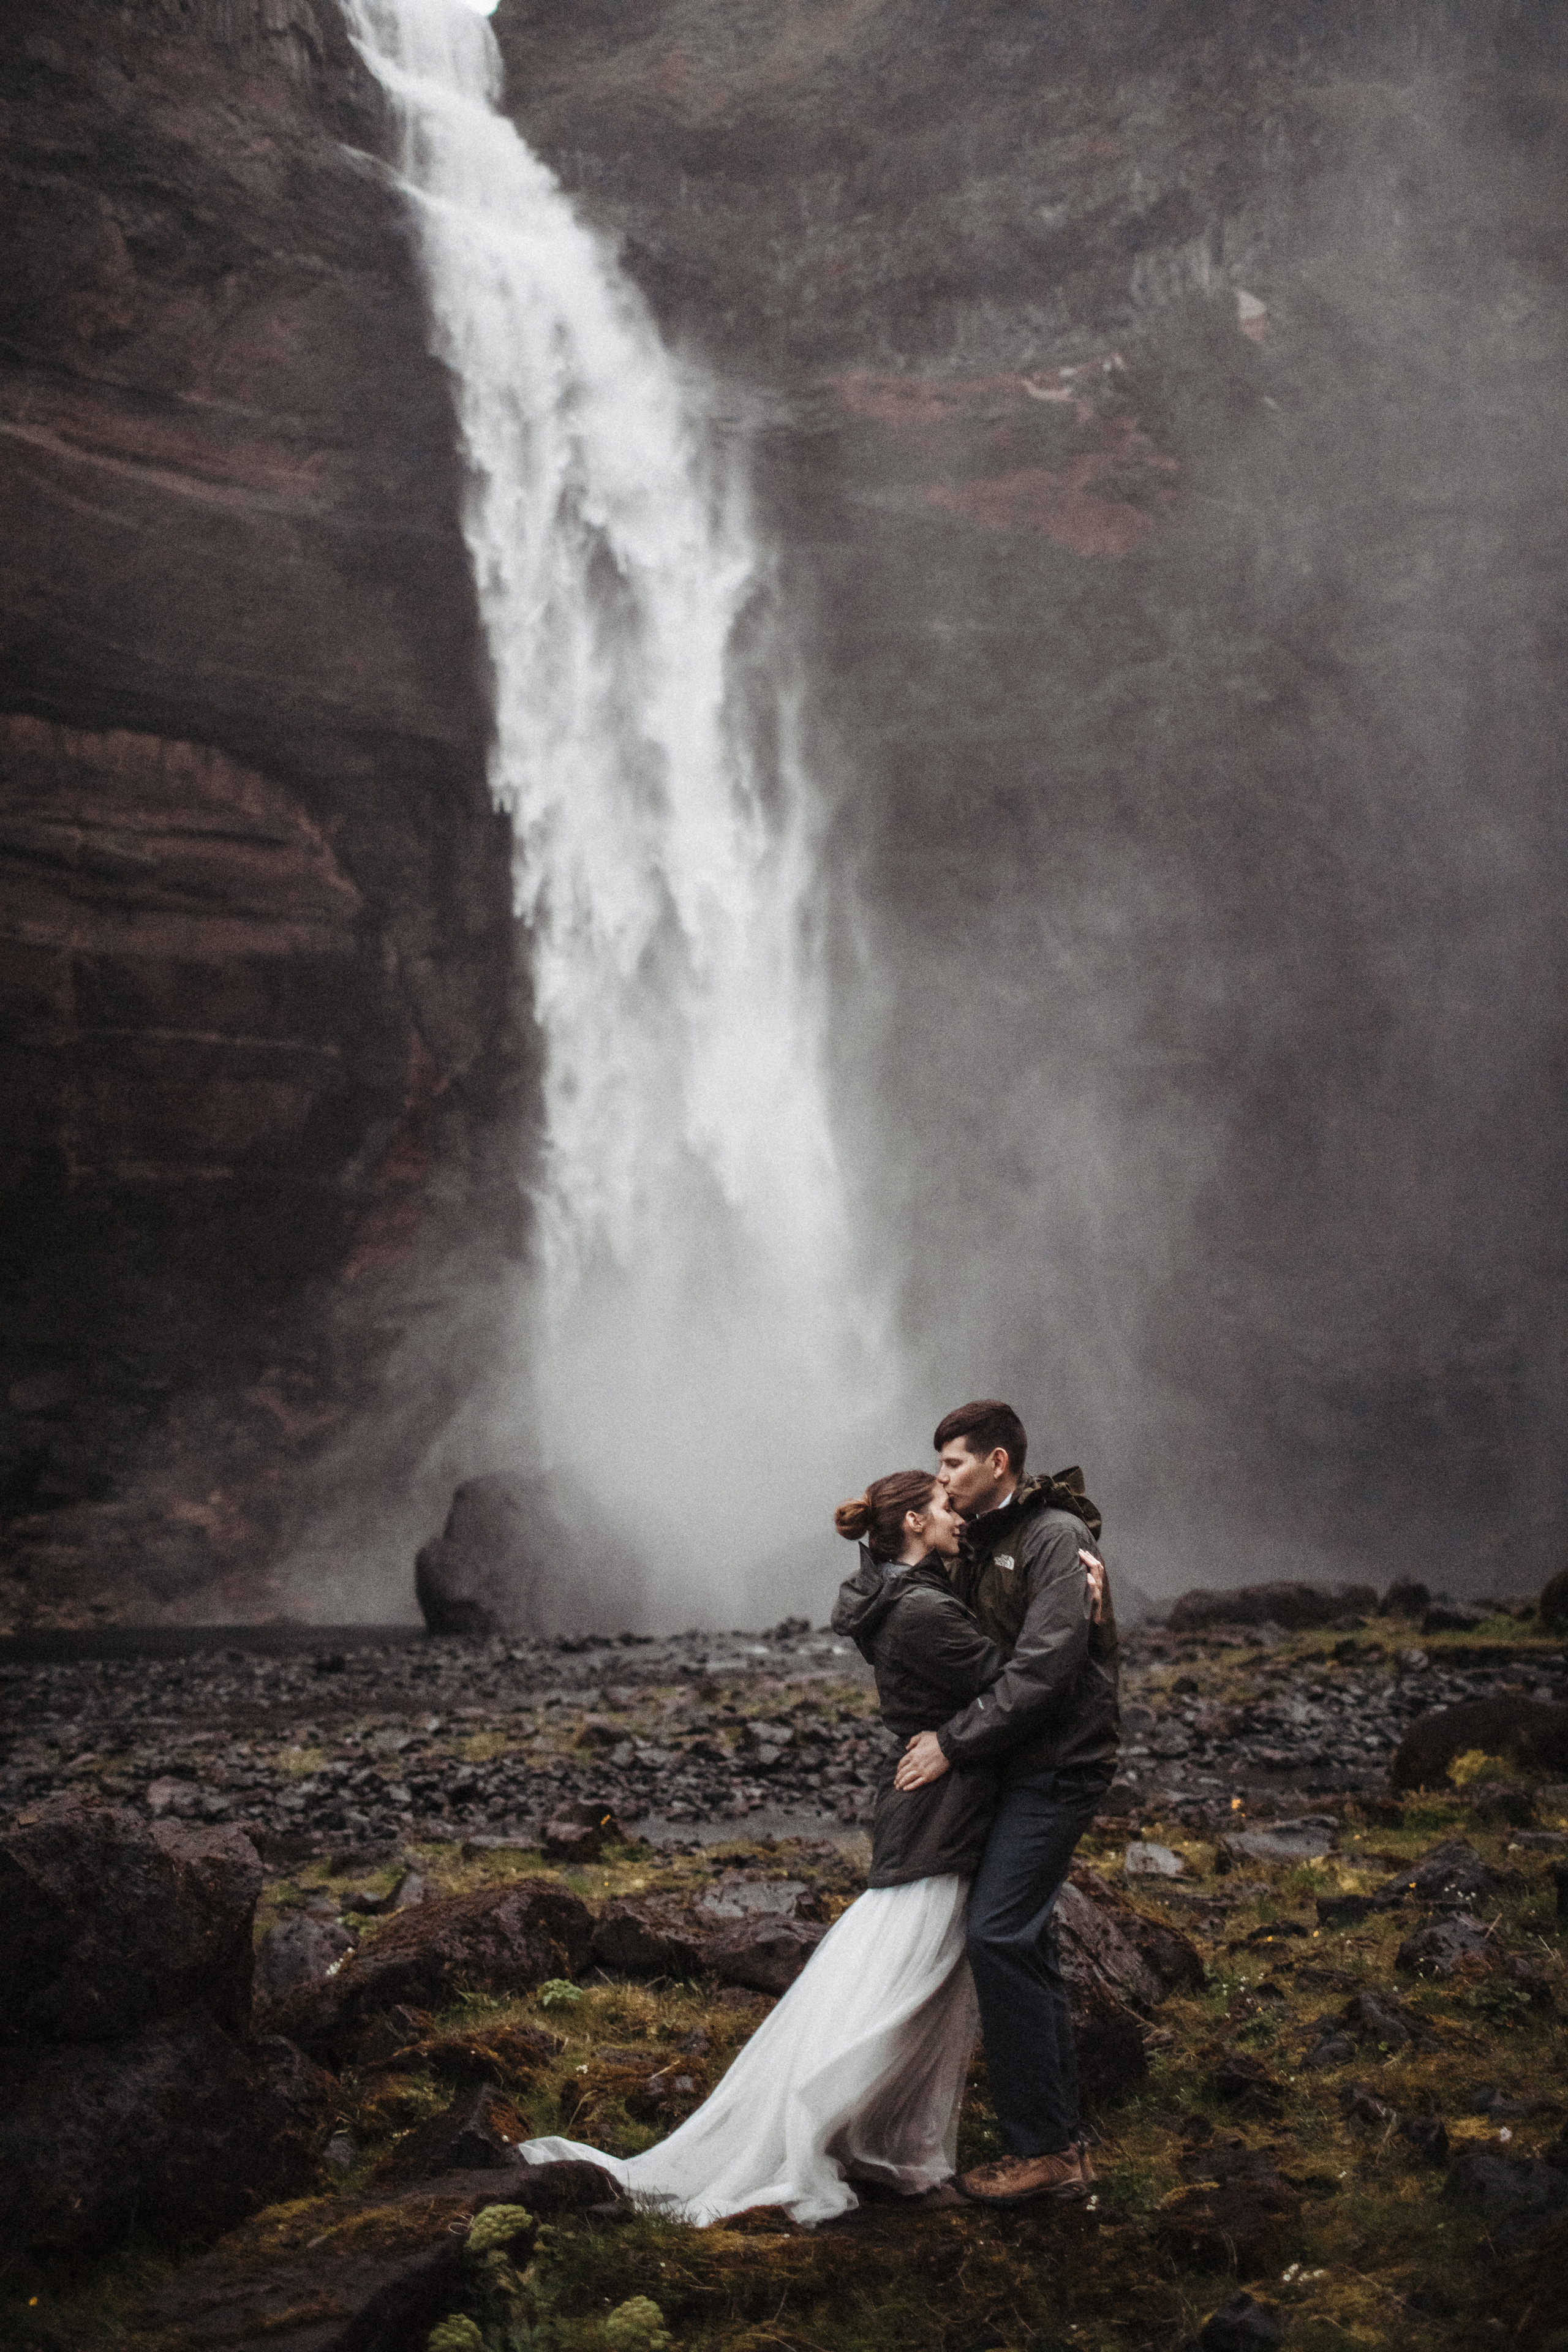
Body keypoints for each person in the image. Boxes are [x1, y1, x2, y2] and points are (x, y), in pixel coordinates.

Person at [515, 1469, 1008, 2226]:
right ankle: (823, 2122)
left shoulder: (892, 1596)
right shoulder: (921, 1612)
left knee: (902, 1965)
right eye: (944, 1505)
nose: (959, 1515)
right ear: (913, 1520)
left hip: (933, 1804)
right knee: (905, 1967)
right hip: (938, 1809)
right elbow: (1015, 1687)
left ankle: (866, 2130)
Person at [893, 1399, 1118, 2206]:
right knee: (1026, 1938)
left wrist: (951, 1744)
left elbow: (1046, 1671)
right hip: (1015, 1765)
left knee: (997, 1933)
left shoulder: (1056, 1538)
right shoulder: (985, 1541)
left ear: (998, 1461)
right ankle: (1061, 2143)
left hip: (1056, 1766)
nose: (943, 1477)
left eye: (953, 1462)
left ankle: (1044, 2152)